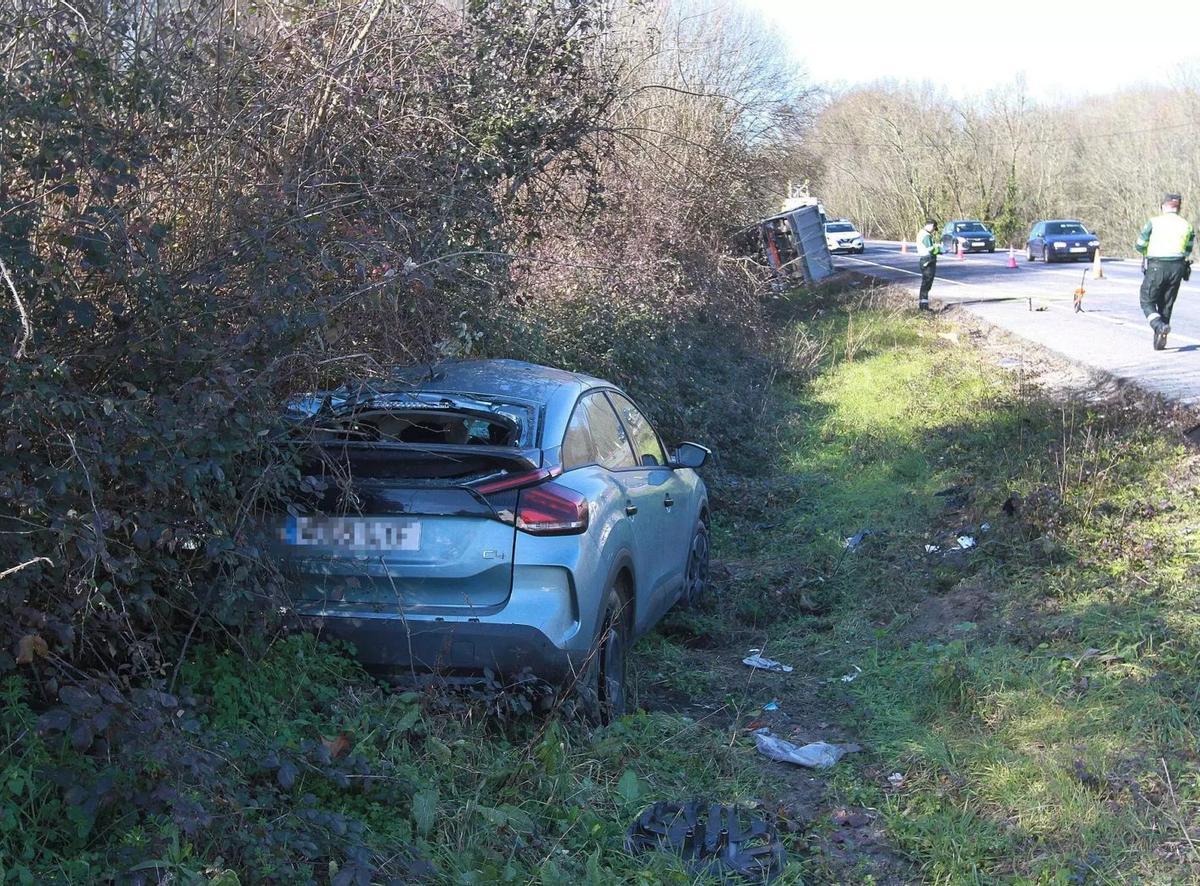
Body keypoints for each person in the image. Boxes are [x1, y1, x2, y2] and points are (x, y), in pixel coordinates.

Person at [1136, 193, 1195, 350]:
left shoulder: (1154, 222)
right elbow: (1188, 249)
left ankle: (1158, 325)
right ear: (1178, 208)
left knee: (1147, 300)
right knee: (1167, 304)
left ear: (1163, 206)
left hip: (1157, 266)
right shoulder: (1187, 225)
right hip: (1178, 267)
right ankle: (1161, 336)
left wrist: (1146, 251)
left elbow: (1140, 244)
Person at [916, 220, 942, 311]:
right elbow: (931, 249)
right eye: (934, 228)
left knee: (926, 283)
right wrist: (941, 250)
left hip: (925, 260)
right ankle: (923, 307)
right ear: (931, 226)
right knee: (926, 283)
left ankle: (923, 305)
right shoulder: (926, 235)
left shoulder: (921, 233)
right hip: (928, 260)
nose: (934, 230)